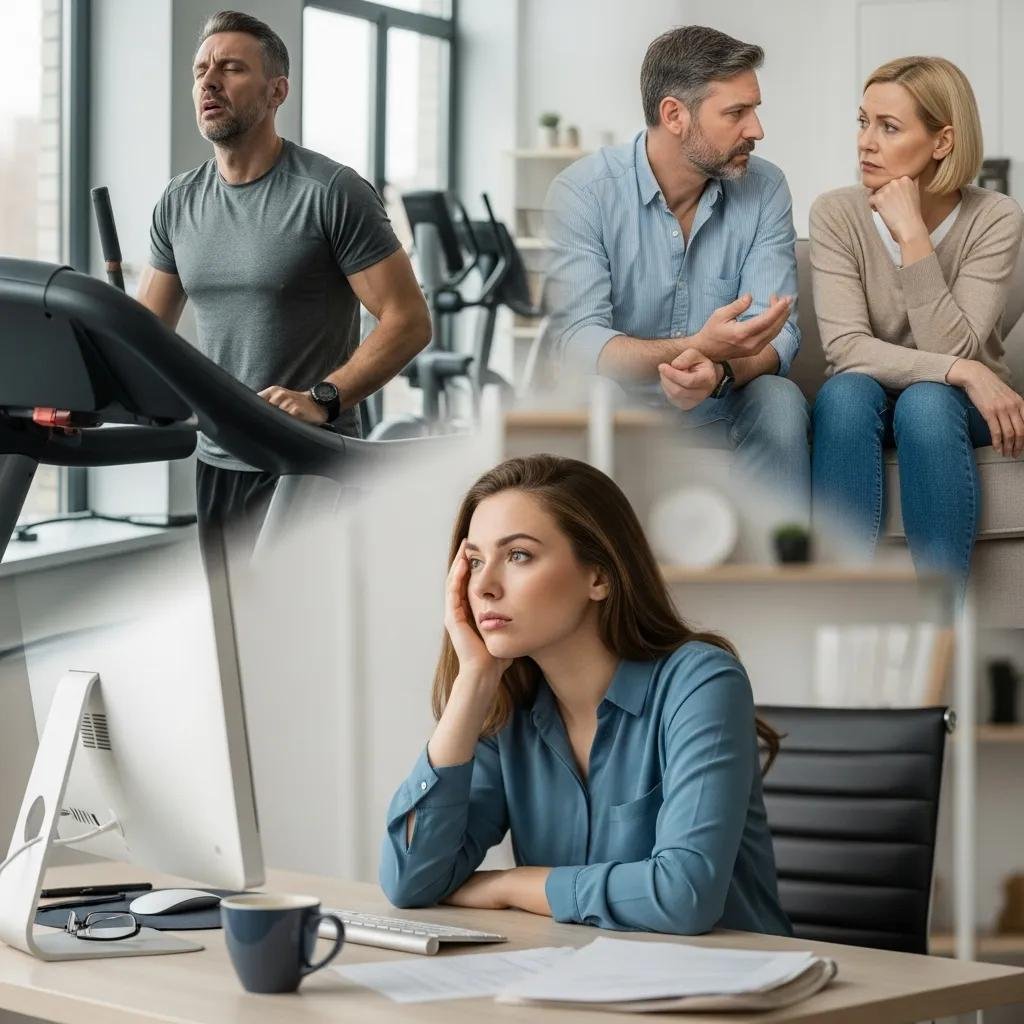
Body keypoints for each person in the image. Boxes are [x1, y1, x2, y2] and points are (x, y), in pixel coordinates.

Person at [379, 454, 792, 937]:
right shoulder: (507, 706)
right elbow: (410, 881)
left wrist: (510, 885)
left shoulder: (700, 682)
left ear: (599, 576)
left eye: (518, 556)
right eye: (473, 561)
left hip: (735, 992)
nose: (484, 586)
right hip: (579, 987)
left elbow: (684, 896)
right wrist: (472, 680)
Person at [136, 10, 431, 550]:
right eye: (201, 69)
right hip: (220, 459)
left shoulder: (330, 192)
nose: (209, 80)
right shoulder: (178, 202)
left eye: (231, 68)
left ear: (277, 92)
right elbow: (144, 335)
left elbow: (409, 321)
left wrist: (325, 397)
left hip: (311, 459)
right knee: (234, 630)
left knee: (301, 629)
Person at [545, 25, 809, 523]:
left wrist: (722, 371)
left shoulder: (766, 187)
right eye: (736, 113)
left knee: (779, 399)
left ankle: (772, 583)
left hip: (723, 395)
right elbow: (580, 341)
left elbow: (780, 330)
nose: (757, 129)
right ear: (674, 115)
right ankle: (613, 580)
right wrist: (701, 347)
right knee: (588, 392)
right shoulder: (582, 193)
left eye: (754, 110)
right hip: (621, 401)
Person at [810, 56, 1024, 592]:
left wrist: (912, 235)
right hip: (876, 391)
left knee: (926, 401)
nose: (865, 142)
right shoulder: (836, 213)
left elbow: (951, 345)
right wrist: (966, 370)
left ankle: (940, 628)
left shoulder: (995, 217)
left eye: (888, 127)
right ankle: (841, 611)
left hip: (958, 409)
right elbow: (844, 349)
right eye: (863, 122)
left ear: (942, 142)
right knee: (843, 394)